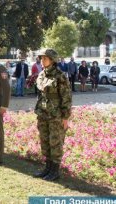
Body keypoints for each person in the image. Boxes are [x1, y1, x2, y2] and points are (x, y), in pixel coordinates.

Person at [33, 48, 72, 181]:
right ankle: (48, 168)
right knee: (45, 141)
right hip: (43, 113)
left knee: (55, 142)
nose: (42, 61)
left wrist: (65, 117)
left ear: (52, 60)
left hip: (56, 115)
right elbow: (40, 94)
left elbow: (66, 97)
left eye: (45, 58)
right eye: (41, 58)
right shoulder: (42, 74)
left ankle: (55, 171)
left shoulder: (60, 76)